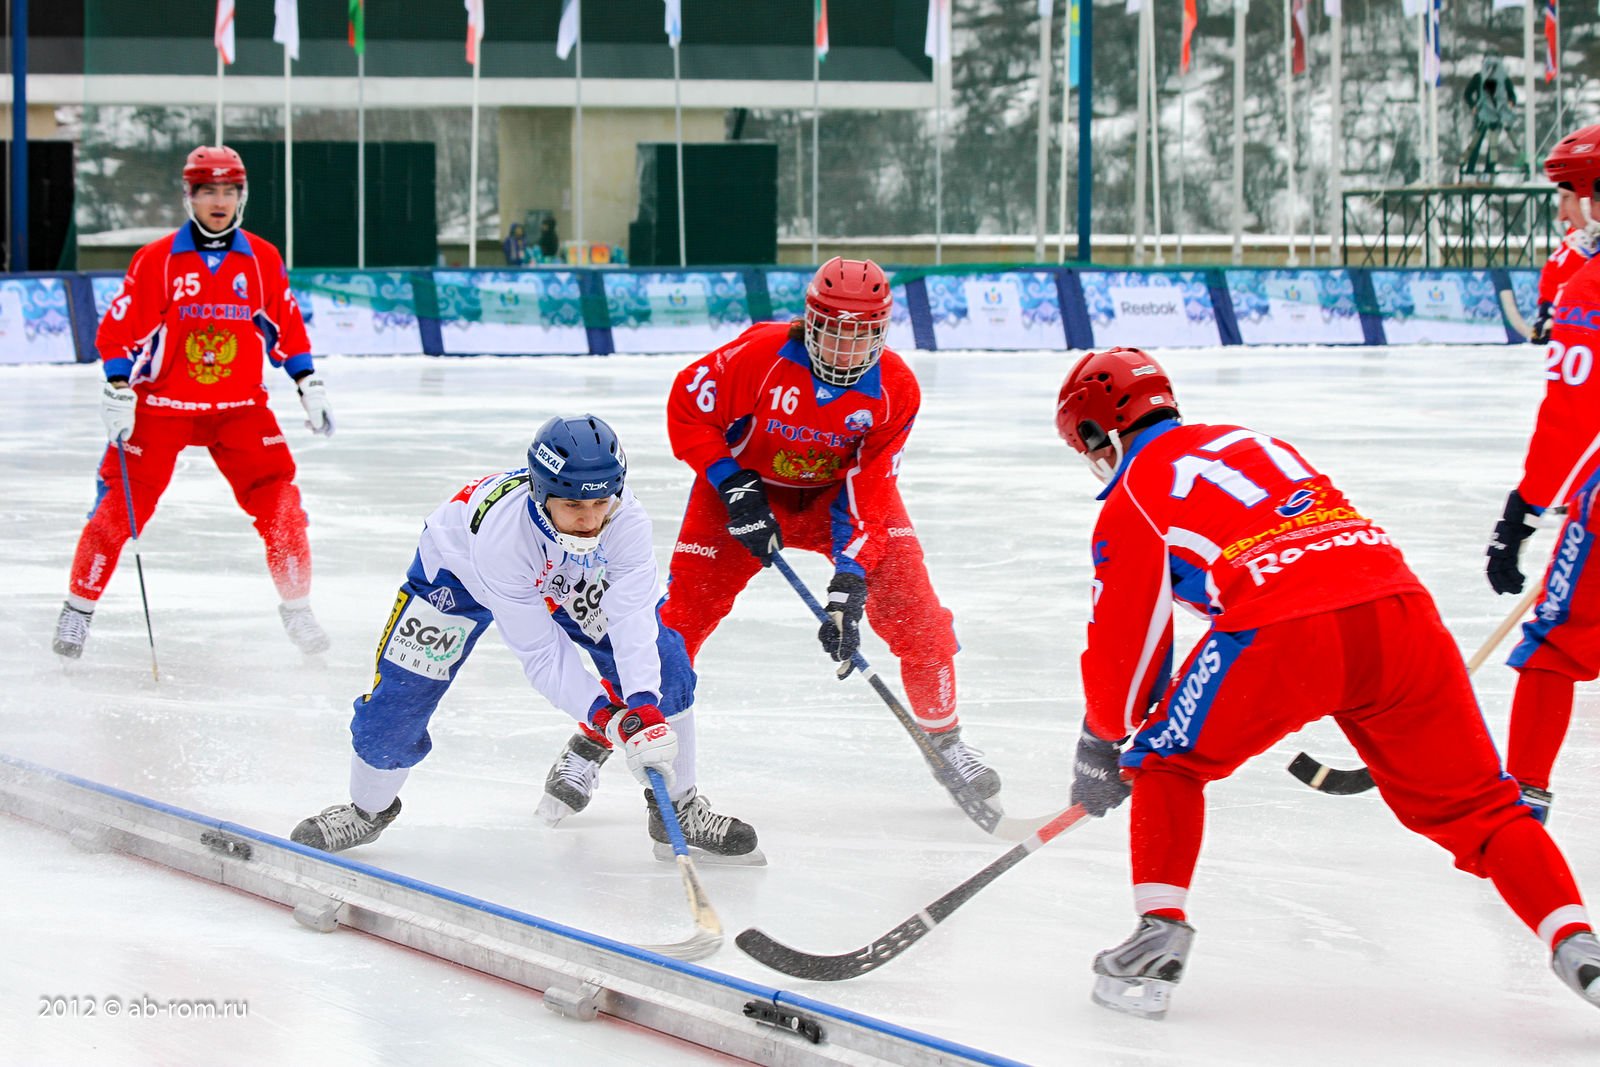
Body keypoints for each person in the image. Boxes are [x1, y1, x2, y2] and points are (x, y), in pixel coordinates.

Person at [1056, 346, 1600, 1020]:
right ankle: (1576, 939)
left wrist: (1104, 742)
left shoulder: (1132, 494)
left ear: (1097, 431)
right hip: (1398, 609)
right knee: (1484, 808)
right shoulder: (1252, 442)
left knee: (1167, 758)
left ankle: (1156, 934)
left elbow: (1127, 654)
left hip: (1284, 629)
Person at [535, 257, 999, 814]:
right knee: (676, 625)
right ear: (810, 321)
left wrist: (849, 580)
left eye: (862, 335)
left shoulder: (896, 388)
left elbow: (870, 489)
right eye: (834, 332)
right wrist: (731, 483)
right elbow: (689, 407)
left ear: (883, 331)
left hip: (836, 500)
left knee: (917, 613)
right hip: (742, 491)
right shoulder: (759, 356)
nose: (846, 350)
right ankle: (593, 741)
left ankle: (946, 741)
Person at [290, 414, 761, 865]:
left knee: (666, 660)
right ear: (541, 492)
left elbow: (633, 618)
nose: (590, 520)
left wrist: (643, 705)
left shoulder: (625, 519)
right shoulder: (504, 537)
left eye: (601, 502)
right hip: (457, 576)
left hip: (569, 572)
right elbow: (541, 654)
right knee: (396, 708)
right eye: (573, 505)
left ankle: (678, 808)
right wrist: (609, 719)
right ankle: (367, 809)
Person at [52, 145, 334, 661]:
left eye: (229, 191)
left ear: (241, 196)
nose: (219, 201)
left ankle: (297, 608)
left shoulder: (262, 258)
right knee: (117, 511)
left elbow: (286, 327)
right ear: (189, 196)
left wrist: (307, 382)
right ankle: (78, 609)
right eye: (208, 191)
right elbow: (117, 335)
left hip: (238, 409)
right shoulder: (158, 260)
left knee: (282, 507)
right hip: (162, 407)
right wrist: (117, 386)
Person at [1488, 123, 1600, 821]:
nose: (1561, 211)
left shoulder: (1589, 284)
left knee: (1555, 642)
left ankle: (1520, 803)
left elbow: (1569, 418)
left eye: (1567, 194)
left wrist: (1523, 513)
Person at [1530, 158, 1598, 343]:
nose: (1562, 215)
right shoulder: (1580, 238)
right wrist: (1548, 313)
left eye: (1567, 198)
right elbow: (1555, 273)